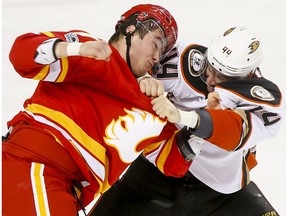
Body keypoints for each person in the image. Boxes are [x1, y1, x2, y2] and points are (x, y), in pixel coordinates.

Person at [2, 4, 191, 216]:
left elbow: (172, 163)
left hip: (68, 192)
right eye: (155, 44)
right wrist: (72, 49)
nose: (157, 57)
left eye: (162, 51)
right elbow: (21, 55)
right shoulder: (93, 52)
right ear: (130, 30)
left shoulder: (151, 104)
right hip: (36, 168)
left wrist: (197, 120)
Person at [90, 26, 284, 216]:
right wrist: (143, 78)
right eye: (211, 67)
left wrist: (183, 117)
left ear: (247, 75)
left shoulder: (262, 99)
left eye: (223, 76)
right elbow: (127, 57)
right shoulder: (187, 62)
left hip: (219, 193)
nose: (211, 80)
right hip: (157, 173)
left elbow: (233, 131)